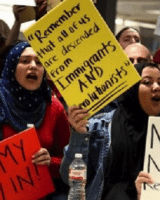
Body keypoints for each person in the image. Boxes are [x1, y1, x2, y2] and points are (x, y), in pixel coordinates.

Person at [0, 41, 71, 199]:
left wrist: (50, 162)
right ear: (12, 67)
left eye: (39, 62)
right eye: (25, 61)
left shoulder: (54, 107)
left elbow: (69, 164)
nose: (33, 66)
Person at [60, 62, 160, 200]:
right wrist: (78, 136)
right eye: (147, 82)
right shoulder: (100, 126)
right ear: (132, 88)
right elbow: (69, 178)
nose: (156, 87)